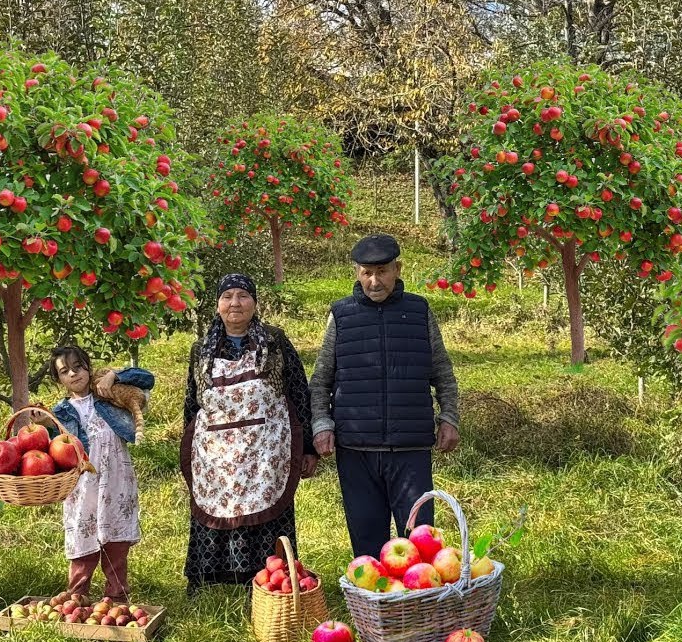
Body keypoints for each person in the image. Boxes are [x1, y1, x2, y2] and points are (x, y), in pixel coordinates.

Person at [309, 233, 460, 559]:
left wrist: (449, 418)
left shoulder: (419, 312)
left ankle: (419, 606)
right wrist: (322, 424)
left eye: (382, 271)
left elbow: (443, 373)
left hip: (411, 450)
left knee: (420, 541)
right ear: (357, 273)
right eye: (366, 272)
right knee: (366, 540)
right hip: (356, 449)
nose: (374, 281)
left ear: (398, 269)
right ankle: (371, 606)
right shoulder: (341, 316)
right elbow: (320, 380)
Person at [181, 274, 319, 594]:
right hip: (216, 452)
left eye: (242, 295)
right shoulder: (201, 349)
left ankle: (270, 579)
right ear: (217, 305)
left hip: (266, 450)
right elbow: (193, 402)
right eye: (227, 296)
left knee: (268, 511)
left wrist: (308, 446)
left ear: (254, 303)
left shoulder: (274, 341)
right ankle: (210, 577)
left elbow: (299, 390)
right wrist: (190, 450)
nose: (235, 303)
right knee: (216, 507)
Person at [41, 345, 154, 601]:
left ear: (88, 367)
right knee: (83, 532)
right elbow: (56, 450)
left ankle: (116, 597)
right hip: (83, 485)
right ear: (59, 379)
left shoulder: (107, 395)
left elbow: (146, 379)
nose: (73, 374)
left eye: (78, 367)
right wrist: (47, 425)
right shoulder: (59, 413)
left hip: (116, 478)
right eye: (64, 371)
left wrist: (114, 375)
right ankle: (77, 595)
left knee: (115, 538)